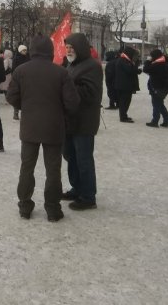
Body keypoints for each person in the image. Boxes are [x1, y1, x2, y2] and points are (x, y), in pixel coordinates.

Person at [7, 35, 79, 222]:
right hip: (54, 127)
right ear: (51, 50)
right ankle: (53, 209)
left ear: (31, 50)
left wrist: (27, 106)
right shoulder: (61, 73)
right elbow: (72, 103)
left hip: (30, 126)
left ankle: (25, 206)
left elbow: (11, 97)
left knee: (26, 167)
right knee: (53, 169)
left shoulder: (21, 70)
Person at [62, 33, 103, 211]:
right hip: (70, 120)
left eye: (72, 47)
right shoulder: (72, 65)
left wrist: (65, 85)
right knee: (70, 156)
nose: (69, 50)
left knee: (83, 159)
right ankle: (76, 188)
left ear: (80, 48)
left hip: (84, 121)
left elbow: (90, 93)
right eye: (67, 47)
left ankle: (88, 196)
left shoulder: (92, 66)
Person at [142, 49, 168, 128]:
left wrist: (148, 61)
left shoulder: (157, 64)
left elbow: (145, 69)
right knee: (160, 104)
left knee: (156, 105)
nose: (151, 57)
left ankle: (155, 121)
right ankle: (167, 120)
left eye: (151, 56)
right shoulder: (163, 63)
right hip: (162, 87)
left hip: (157, 88)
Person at [114, 46, 140, 123]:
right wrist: (137, 69)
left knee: (126, 101)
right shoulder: (123, 60)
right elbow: (130, 70)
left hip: (125, 85)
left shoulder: (125, 60)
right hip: (124, 85)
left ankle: (124, 115)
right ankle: (123, 117)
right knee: (124, 101)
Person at [11, 44, 30, 120]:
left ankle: (25, 113)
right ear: (20, 51)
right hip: (19, 80)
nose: (25, 52)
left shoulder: (28, 58)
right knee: (18, 97)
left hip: (27, 79)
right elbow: (14, 70)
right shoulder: (16, 59)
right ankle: (16, 113)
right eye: (23, 50)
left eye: (25, 50)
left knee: (26, 97)